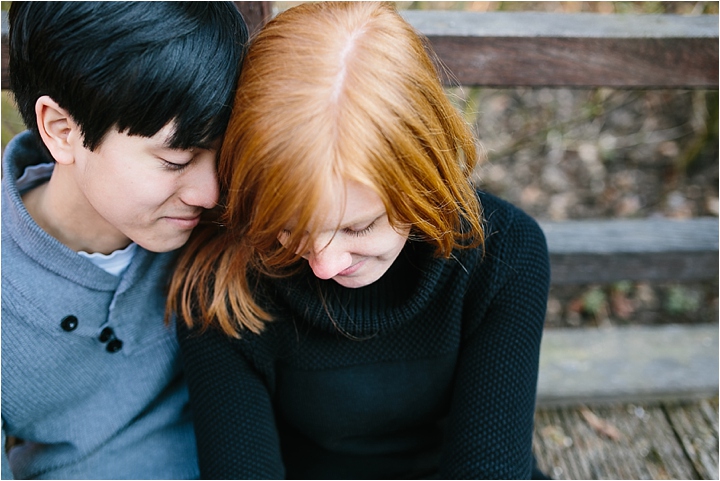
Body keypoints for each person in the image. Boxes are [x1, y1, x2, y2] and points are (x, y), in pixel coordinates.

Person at [170, 2, 550, 479]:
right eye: (288, 227)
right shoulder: (223, 283)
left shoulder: (503, 254)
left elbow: (490, 469)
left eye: (358, 227)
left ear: (423, 178)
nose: (324, 265)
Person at [1, 2, 248, 479]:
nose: (210, 193)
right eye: (176, 160)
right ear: (63, 130)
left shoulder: (220, 222)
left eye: (220, 154)